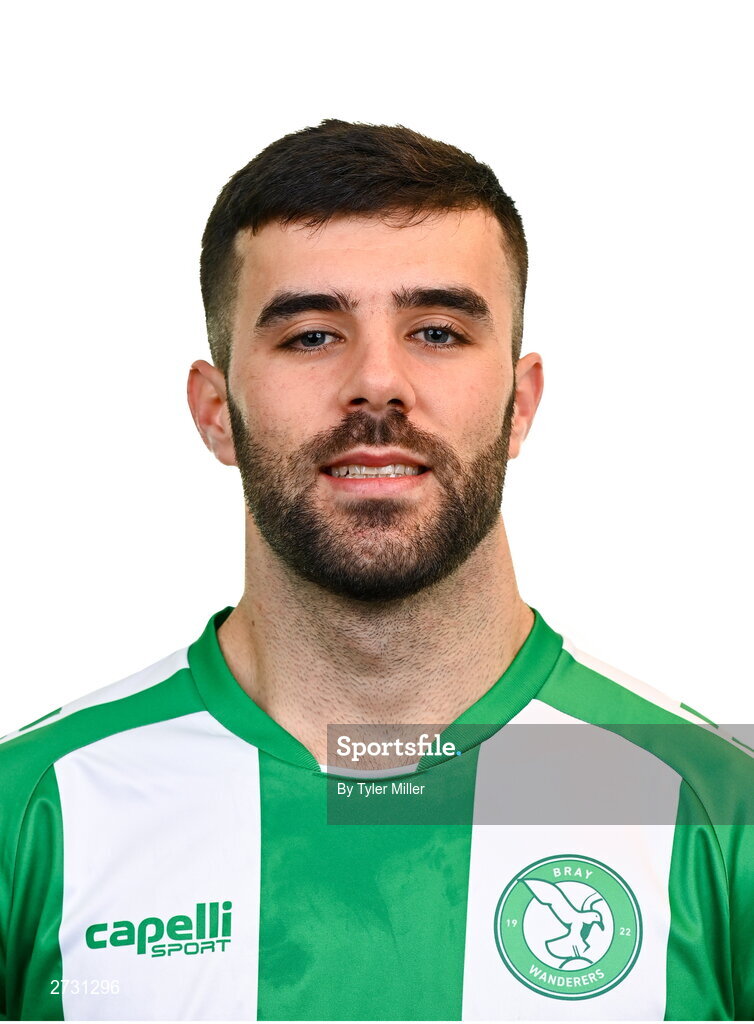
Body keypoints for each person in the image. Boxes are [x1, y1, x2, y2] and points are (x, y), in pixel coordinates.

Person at [1, 119, 752, 1023]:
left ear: (520, 405)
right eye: (312, 335)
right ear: (215, 411)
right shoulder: (35, 809)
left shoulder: (719, 808)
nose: (378, 382)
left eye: (436, 330)